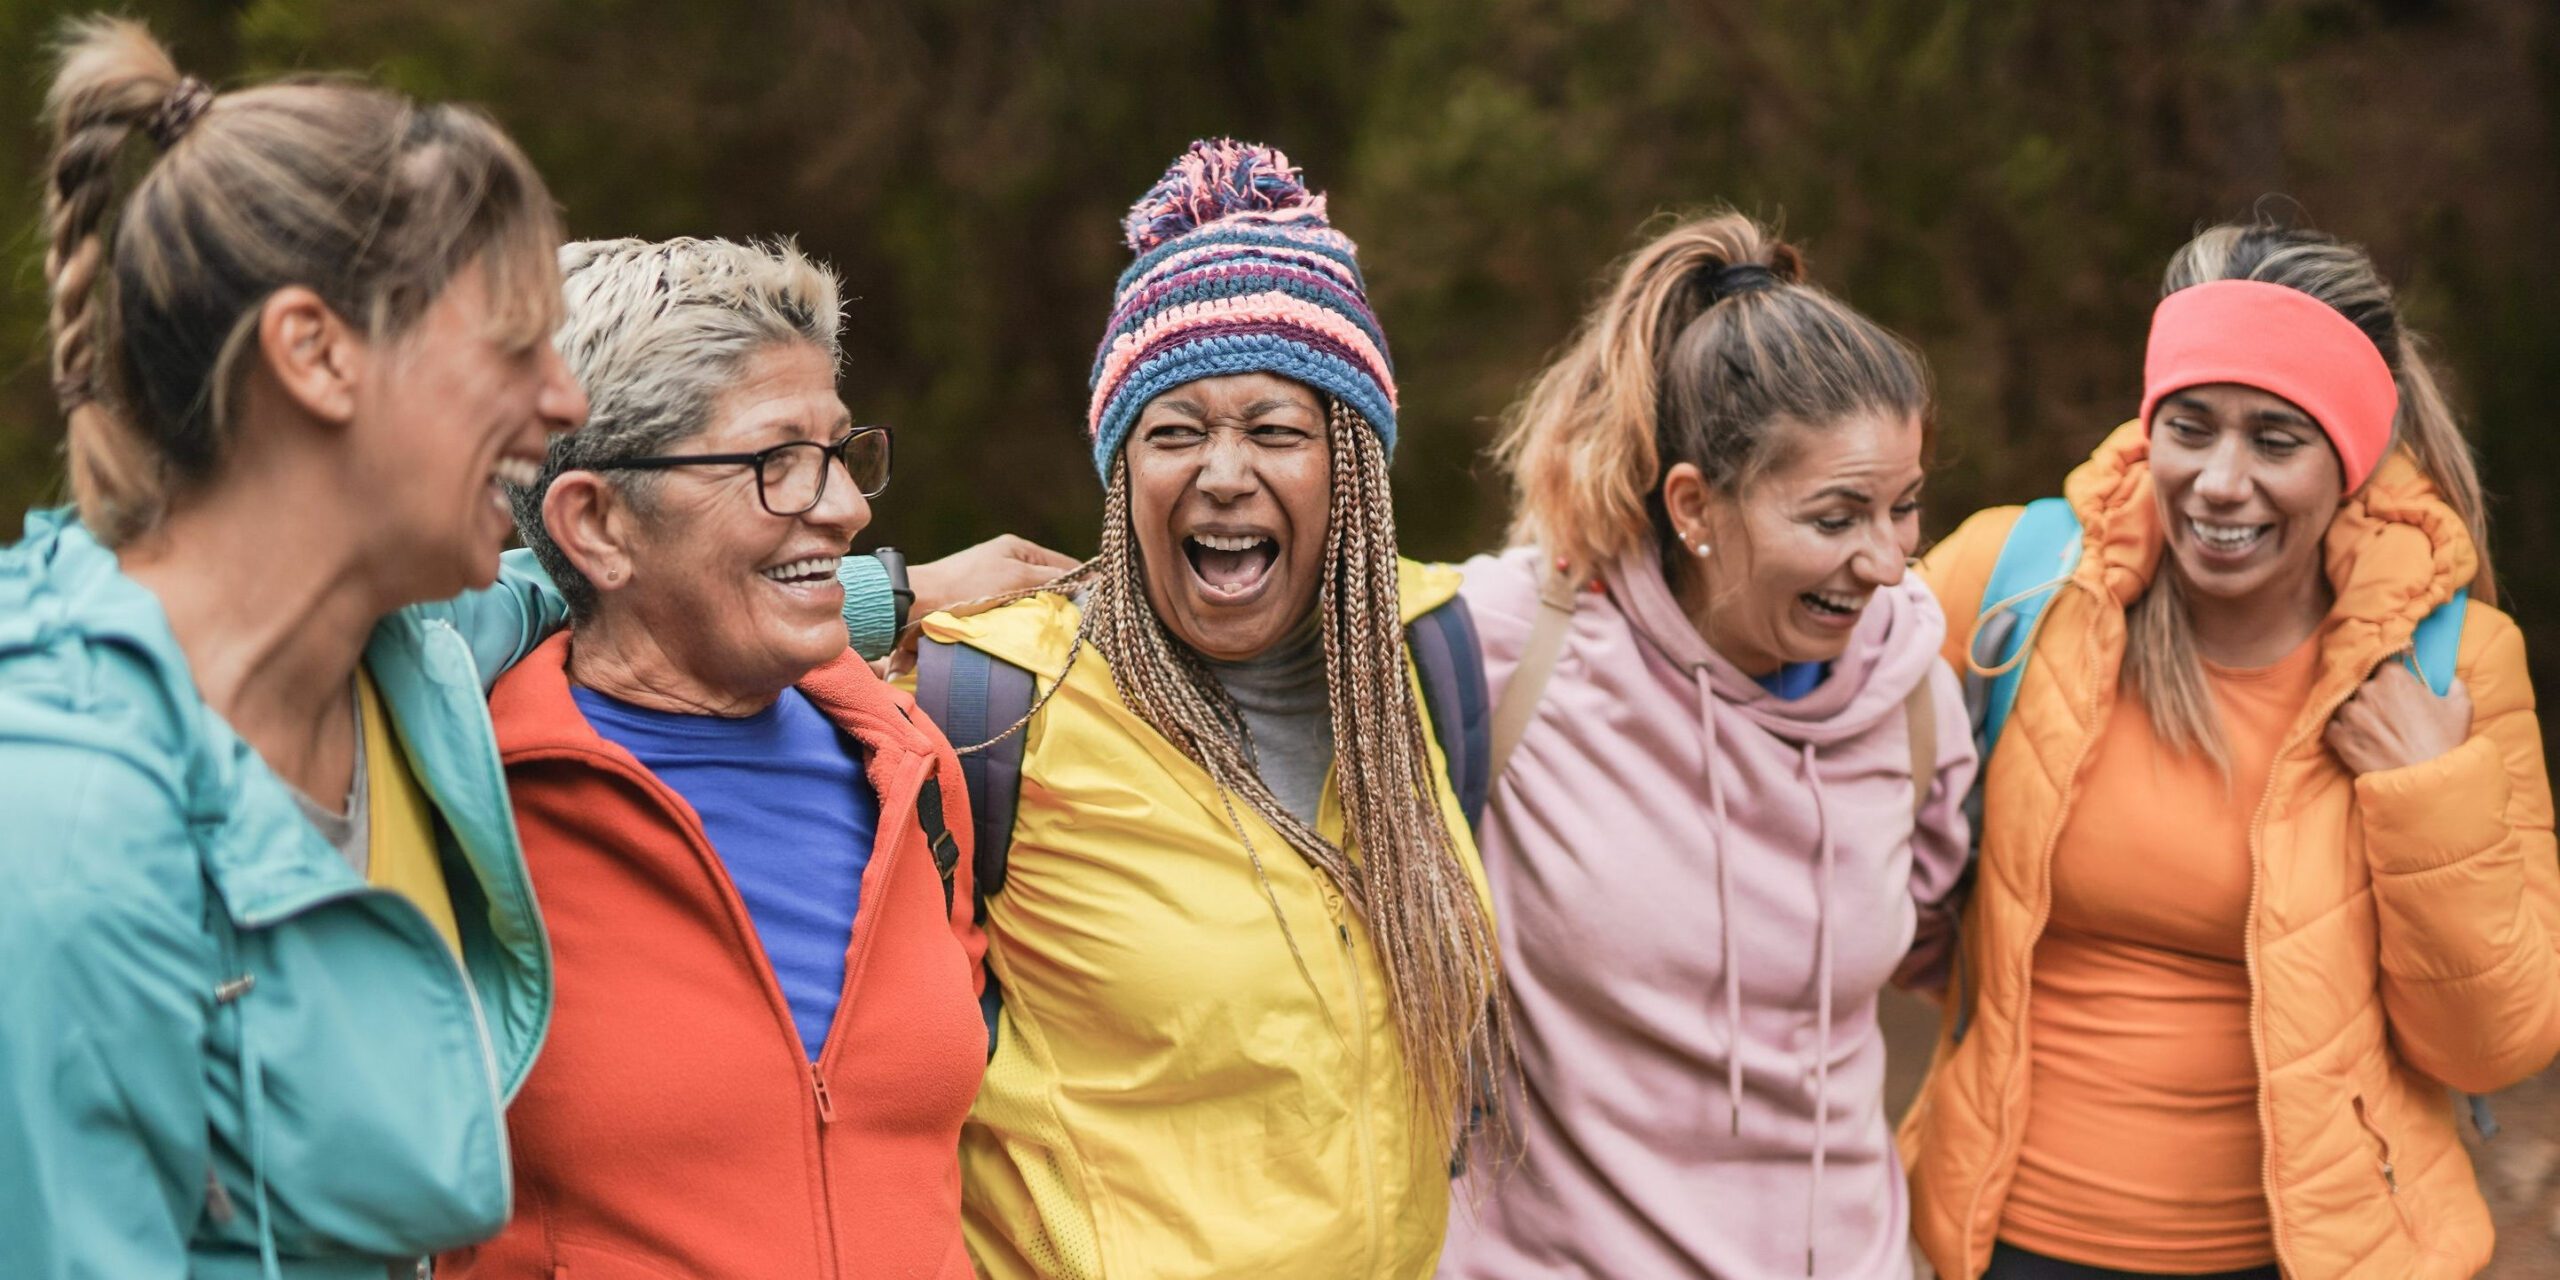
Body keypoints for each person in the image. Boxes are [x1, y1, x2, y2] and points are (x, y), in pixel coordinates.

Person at [0, 18, 588, 1277]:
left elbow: (562, 589)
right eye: (514, 343)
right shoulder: (64, 821)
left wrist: (887, 595)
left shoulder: (400, 655)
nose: (568, 398)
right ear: (316, 353)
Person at [1901, 220, 2560, 1279]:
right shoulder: (2011, 584)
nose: (2217, 479)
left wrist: (2426, 790)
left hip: (2305, 1256)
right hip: (2009, 1241)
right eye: (2190, 426)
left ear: (2347, 456)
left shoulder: (2451, 665)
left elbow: (2492, 1043)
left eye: (2275, 438)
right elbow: (1789, 749)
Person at [914, 139, 1508, 1279]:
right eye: (1173, 432)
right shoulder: (990, 701)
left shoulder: (1425, 662)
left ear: (1352, 474)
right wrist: (882, 597)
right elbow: (661, 636)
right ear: (1121, 471)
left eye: (1275, 431)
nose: (1223, 472)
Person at [1434, 213, 1977, 1279]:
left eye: (1903, 507)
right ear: (1694, 504)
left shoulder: (1909, 687)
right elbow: (1246, 644)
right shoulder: (1509, 646)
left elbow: (1941, 936)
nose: (1883, 562)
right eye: (1834, 518)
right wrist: (1015, 612)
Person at [432, 237, 985, 1279]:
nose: (847, 509)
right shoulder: (465, 806)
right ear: (594, 522)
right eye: (774, 463)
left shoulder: (911, 775)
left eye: (841, 452)